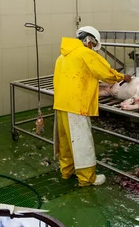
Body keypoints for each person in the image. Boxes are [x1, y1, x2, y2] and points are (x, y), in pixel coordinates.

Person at [53, 26, 131, 187]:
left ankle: (67, 171)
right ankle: (87, 177)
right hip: (77, 104)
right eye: (93, 45)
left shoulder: (62, 56)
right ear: (89, 40)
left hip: (61, 103)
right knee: (81, 141)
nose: (93, 49)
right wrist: (123, 77)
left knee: (66, 141)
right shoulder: (85, 53)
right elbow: (106, 73)